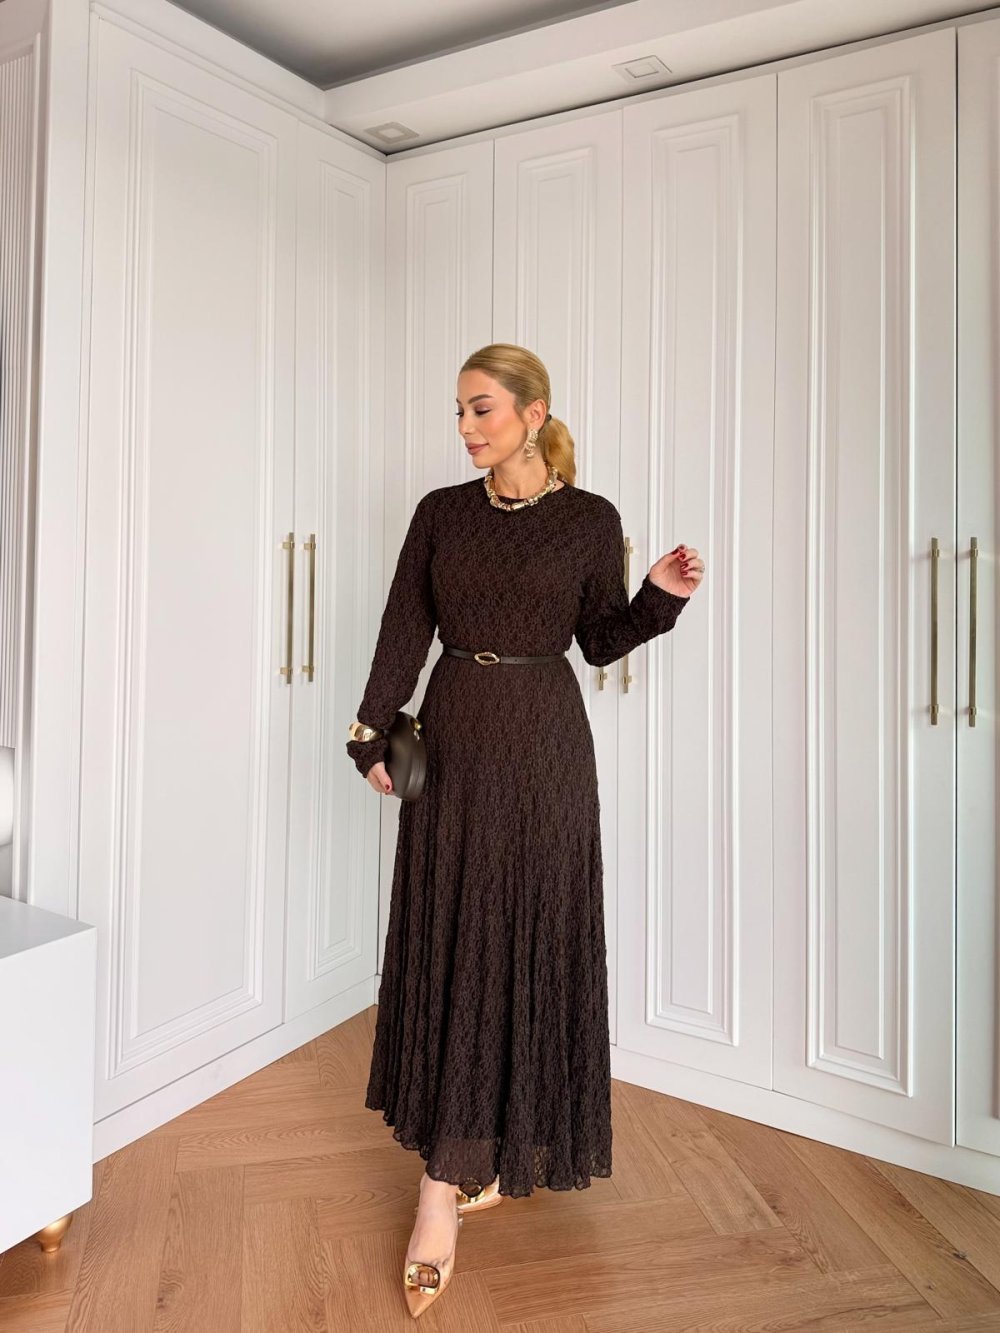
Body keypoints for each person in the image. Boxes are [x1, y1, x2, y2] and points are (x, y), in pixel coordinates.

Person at [345, 343, 704, 1318]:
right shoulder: (440, 513)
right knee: (459, 939)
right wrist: (370, 730)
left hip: (547, 748)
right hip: (457, 735)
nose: (466, 427)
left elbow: (599, 639)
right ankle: (440, 1186)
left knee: (528, 937)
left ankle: (489, 1154)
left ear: (533, 412)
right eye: (460, 410)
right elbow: (404, 627)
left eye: (483, 408)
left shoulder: (590, 519)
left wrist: (659, 599)